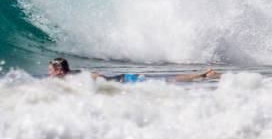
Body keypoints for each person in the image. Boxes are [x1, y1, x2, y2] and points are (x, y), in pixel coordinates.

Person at [47, 57, 220, 82]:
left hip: (125, 80)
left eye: (50, 70)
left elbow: (95, 75)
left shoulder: (74, 76)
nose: (48, 74)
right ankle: (202, 75)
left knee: (168, 81)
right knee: (166, 80)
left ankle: (203, 74)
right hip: (124, 79)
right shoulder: (69, 76)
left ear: (59, 70)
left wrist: (100, 81)